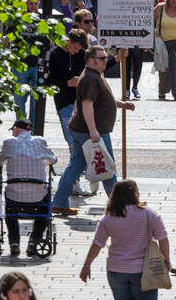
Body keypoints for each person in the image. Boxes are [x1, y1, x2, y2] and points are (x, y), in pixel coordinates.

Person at [79, 180, 170, 300]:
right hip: (144, 270)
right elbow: (163, 237)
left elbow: (98, 244)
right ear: (135, 193)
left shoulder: (109, 217)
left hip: (116, 270)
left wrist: (87, 264)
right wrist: (166, 259)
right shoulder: (149, 214)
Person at [53, 45, 133, 216]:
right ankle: (120, 206)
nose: (105, 61)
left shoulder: (94, 75)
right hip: (90, 132)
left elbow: (104, 100)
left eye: (105, 57)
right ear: (91, 60)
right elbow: (87, 105)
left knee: (75, 167)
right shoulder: (90, 78)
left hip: (81, 129)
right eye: (102, 58)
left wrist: (121, 104)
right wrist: (93, 131)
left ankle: (59, 202)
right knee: (107, 168)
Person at [0, 118, 57, 258]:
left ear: (16, 129)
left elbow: (0, 161)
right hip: (37, 197)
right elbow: (54, 159)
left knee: (9, 210)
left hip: (14, 198)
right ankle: (34, 241)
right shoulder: (40, 141)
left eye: (13, 130)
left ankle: (14, 243)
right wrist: (43, 163)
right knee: (45, 208)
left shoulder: (8, 143)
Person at [46, 27, 88, 171]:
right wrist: (68, 83)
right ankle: (75, 172)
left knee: (83, 139)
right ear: (68, 41)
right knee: (72, 140)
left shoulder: (81, 54)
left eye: (79, 49)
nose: (76, 51)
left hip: (81, 101)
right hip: (63, 101)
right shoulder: (55, 54)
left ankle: (78, 169)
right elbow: (49, 83)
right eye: (75, 48)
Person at [154, 0, 176, 101]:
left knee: (175, 67)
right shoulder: (160, 8)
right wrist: (153, 37)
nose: (174, 0)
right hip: (162, 42)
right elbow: (149, 22)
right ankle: (162, 92)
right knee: (163, 68)